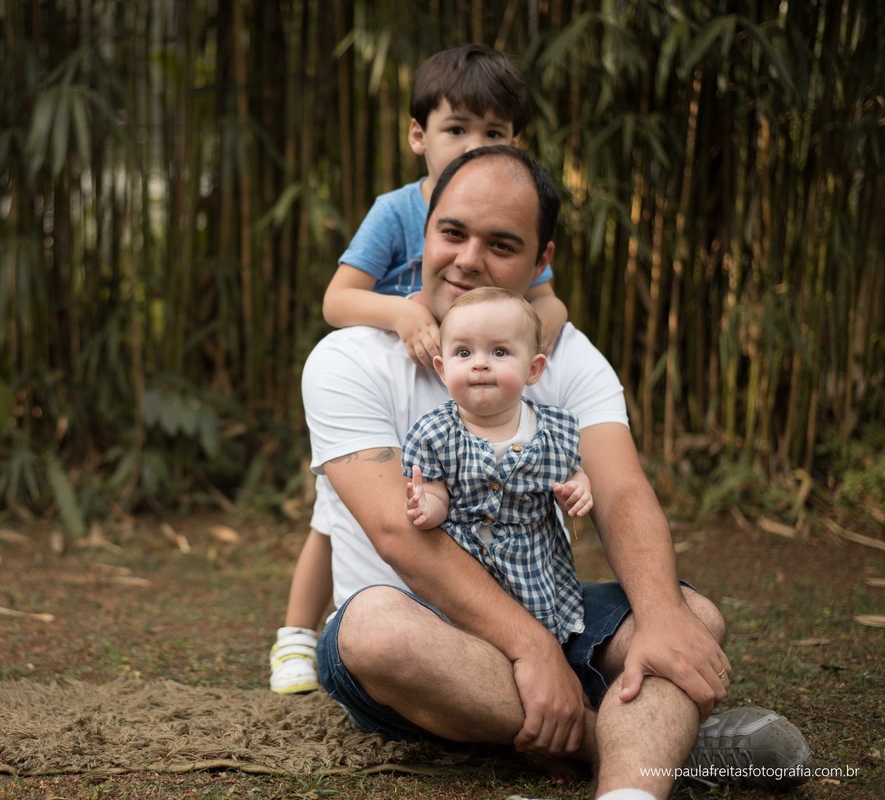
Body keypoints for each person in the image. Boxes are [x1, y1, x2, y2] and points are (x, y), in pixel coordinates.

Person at [301, 145, 812, 800]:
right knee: (374, 630)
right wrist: (529, 650)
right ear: (426, 228)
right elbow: (399, 534)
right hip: (419, 637)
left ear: (542, 260)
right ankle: (644, 742)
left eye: (501, 244)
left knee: (693, 615)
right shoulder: (348, 359)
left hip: (546, 606)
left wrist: (656, 615)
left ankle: (629, 791)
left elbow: (622, 489)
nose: (467, 259)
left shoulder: (563, 360)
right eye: (452, 232)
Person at [270, 42, 569, 695]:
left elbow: (548, 300)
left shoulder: (512, 213)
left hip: (464, 396)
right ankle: (294, 636)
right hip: (391, 383)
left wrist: (521, 340)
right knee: (336, 518)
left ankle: (474, 636)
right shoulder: (397, 210)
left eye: (492, 133)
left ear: (516, 142)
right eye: (456, 129)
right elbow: (337, 298)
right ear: (417, 135)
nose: (471, 146)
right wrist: (403, 316)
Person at [403, 287, 593, 647]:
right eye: (463, 352)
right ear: (443, 370)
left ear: (533, 369)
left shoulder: (554, 429)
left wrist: (578, 488)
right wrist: (426, 506)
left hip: (534, 569)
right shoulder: (434, 434)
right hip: (465, 573)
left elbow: (572, 471)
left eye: (500, 352)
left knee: (543, 643)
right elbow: (436, 494)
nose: (479, 363)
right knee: (466, 648)